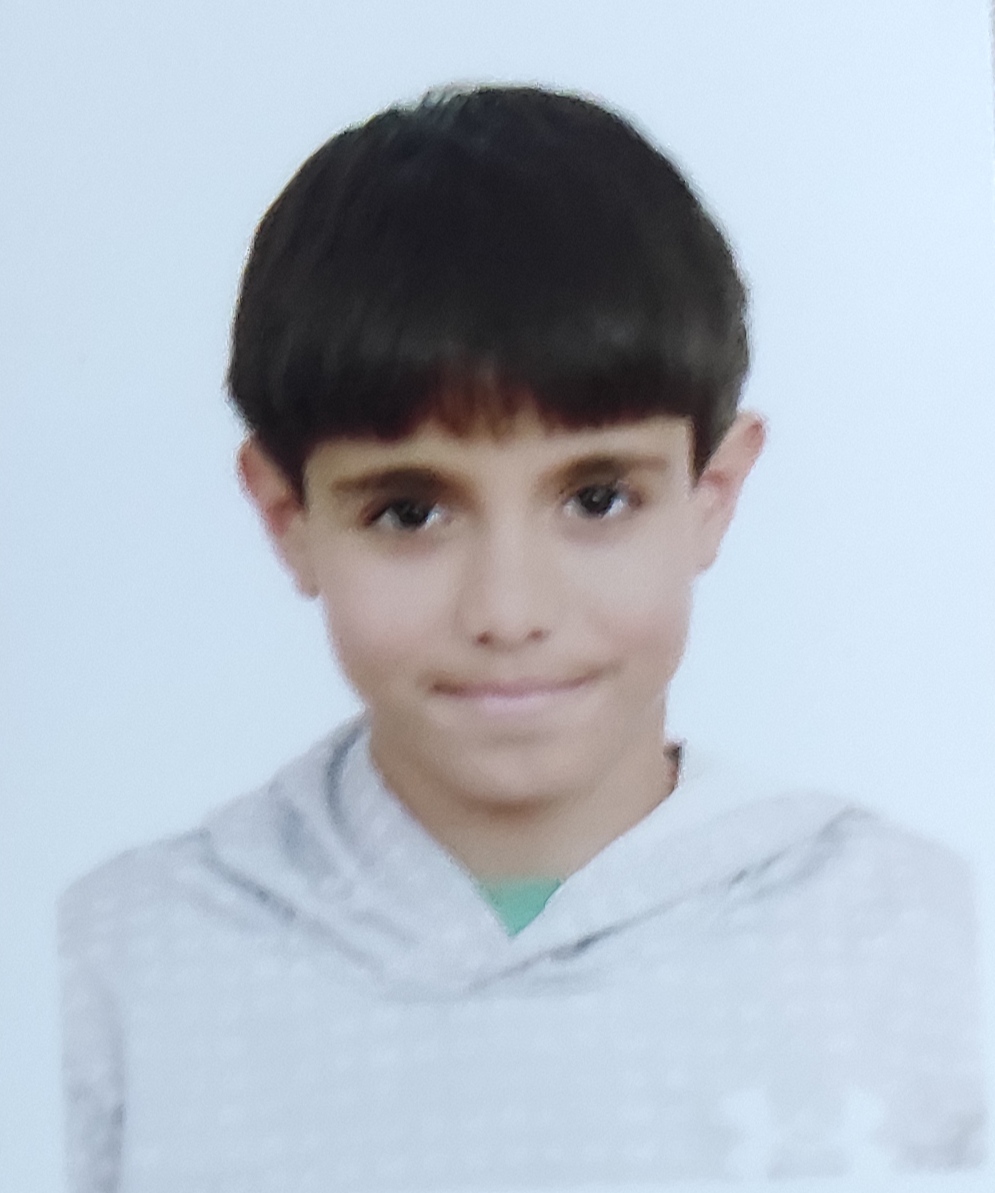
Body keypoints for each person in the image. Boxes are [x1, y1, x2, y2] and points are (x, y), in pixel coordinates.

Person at [59, 83, 986, 1191]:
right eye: (409, 511)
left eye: (596, 498)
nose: (507, 610)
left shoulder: (921, 944)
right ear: (285, 517)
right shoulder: (114, 972)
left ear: (712, 495)